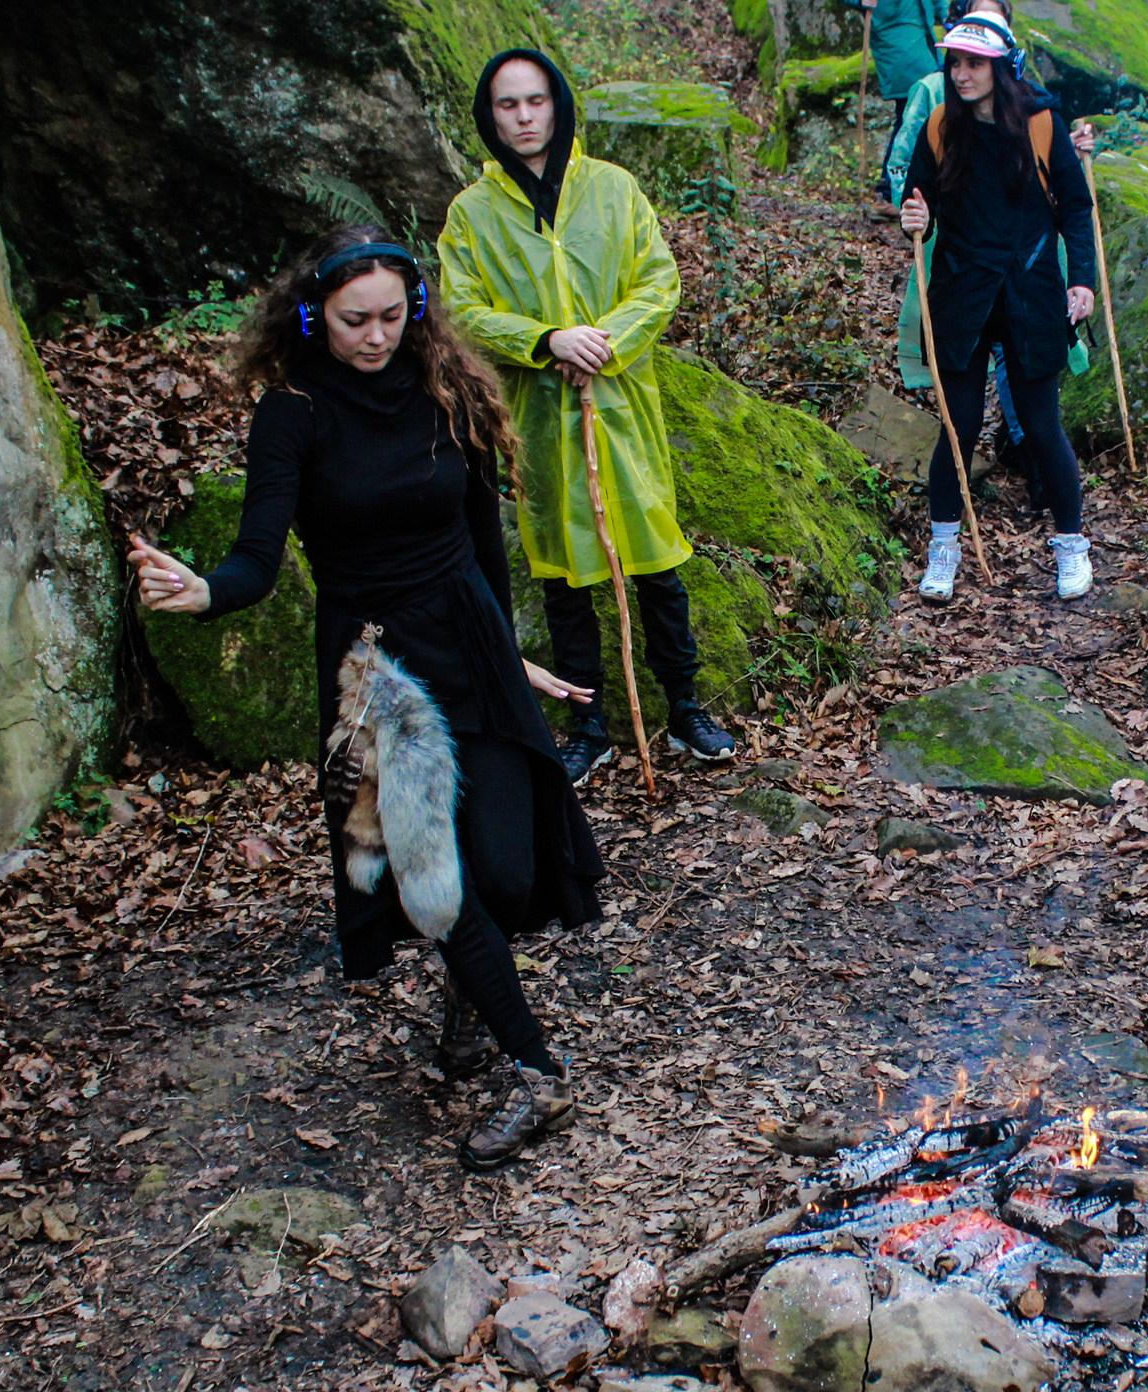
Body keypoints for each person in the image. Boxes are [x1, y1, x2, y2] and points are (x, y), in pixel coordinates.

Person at [125, 228, 601, 1170]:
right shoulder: (292, 415)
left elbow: (483, 542)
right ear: (314, 315)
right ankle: (538, 1073)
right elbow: (259, 556)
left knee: (506, 872)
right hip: (377, 672)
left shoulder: (448, 388)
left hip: (469, 641)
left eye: (392, 316)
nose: (376, 336)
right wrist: (206, 590)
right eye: (354, 321)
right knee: (434, 884)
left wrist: (512, 656)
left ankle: (472, 990)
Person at [439, 48, 739, 785]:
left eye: (535, 100)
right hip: (538, 419)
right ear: (489, 116)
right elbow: (462, 310)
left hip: (621, 405)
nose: (524, 117)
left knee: (657, 563)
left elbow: (657, 281)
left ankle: (685, 707)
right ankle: (587, 723)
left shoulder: (613, 188)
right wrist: (545, 341)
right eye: (508, 104)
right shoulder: (472, 214)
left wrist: (601, 343)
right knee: (563, 576)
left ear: (558, 104)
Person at [897, 16, 1098, 602]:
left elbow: (1075, 207)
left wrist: (1081, 281)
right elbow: (917, 201)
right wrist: (916, 218)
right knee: (957, 428)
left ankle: (1071, 545)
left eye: (974, 63)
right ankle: (943, 549)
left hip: (1030, 290)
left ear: (1001, 67)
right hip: (961, 291)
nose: (962, 74)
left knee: (1041, 426)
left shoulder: (1040, 122)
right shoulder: (941, 125)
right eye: (955, 63)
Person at [853, 0, 946, 133]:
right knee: (912, 119)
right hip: (898, 45)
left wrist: (949, 19)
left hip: (925, 42)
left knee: (927, 115)